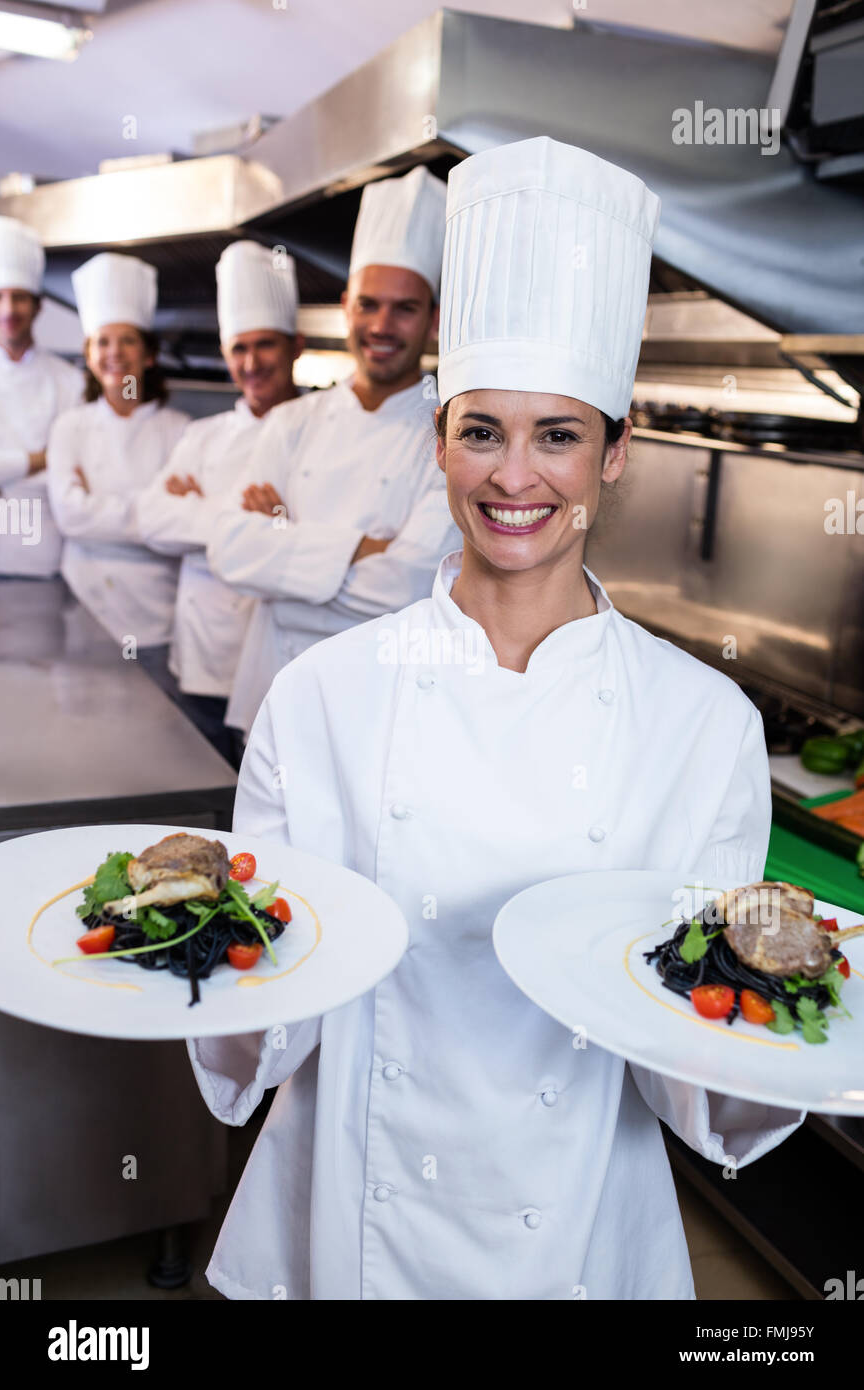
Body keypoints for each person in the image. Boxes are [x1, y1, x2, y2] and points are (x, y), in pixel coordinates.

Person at [189, 138, 802, 1301]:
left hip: (570, 1228)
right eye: (480, 430)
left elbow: (697, 1092)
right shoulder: (323, 694)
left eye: (557, 434)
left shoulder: (698, 723)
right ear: (440, 441)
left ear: (615, 452)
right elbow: (262, 1036)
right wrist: (205, 955)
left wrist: (794, 1034)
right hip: (345, 1218)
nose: (513, 476)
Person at [207, 165, 460, 737]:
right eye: (368, 304)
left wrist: (283, 550)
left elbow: (411, 588)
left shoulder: (454, 435)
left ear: (435, 319)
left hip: (377, 711)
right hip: (272, 698)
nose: (382, 324)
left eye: (405, 308)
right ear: (346, 306)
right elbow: (227, 549)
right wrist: (364, 548)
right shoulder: (291, 422)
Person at [136, 242, 304, 764]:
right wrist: (253, 521)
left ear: (295, 345)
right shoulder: (202, 436)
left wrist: (202, 509)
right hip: (202, 658)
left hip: (279, 660)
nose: (251, 363)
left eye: (265, 346)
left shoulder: (318, 428)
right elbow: (152, 520)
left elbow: (318, 539)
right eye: (238, 349)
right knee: (207, 793)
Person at [47, 253, 188, 663]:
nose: (115, 352)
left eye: (128, 340)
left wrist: (99, 510)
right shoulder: (69, 427)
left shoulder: (181, 431)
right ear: (89, 355)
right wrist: (150, 511)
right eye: (103, 341)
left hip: (154, 615)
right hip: (80, 610)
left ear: (149, 355)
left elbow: (177, 530)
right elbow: (71, 517)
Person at [0, 216, 83, 577]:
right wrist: (37, 460)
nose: (8, 310)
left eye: (19, 298)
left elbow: (73, 468)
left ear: (37, 305)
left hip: (45, 554)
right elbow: (53, 463)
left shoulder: (72, 382)